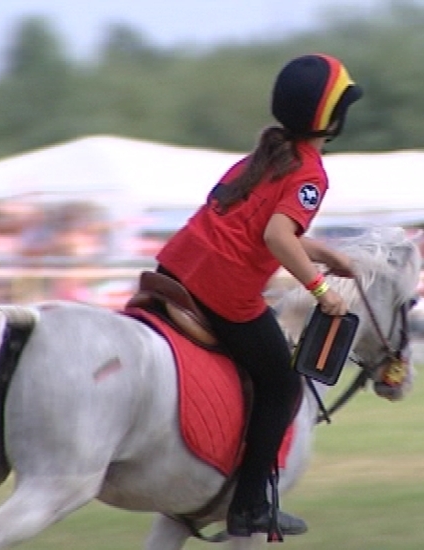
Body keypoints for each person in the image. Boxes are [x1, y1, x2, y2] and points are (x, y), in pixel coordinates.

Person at [153, 53, 363, 537]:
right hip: (222, 292)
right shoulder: (309, 171)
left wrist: (326, 253)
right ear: (332, 119)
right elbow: (275, 237)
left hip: (177, 266)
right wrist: (322, 290)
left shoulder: (260, 158)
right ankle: (249, 505)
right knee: (283, 386)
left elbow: (257, 228)